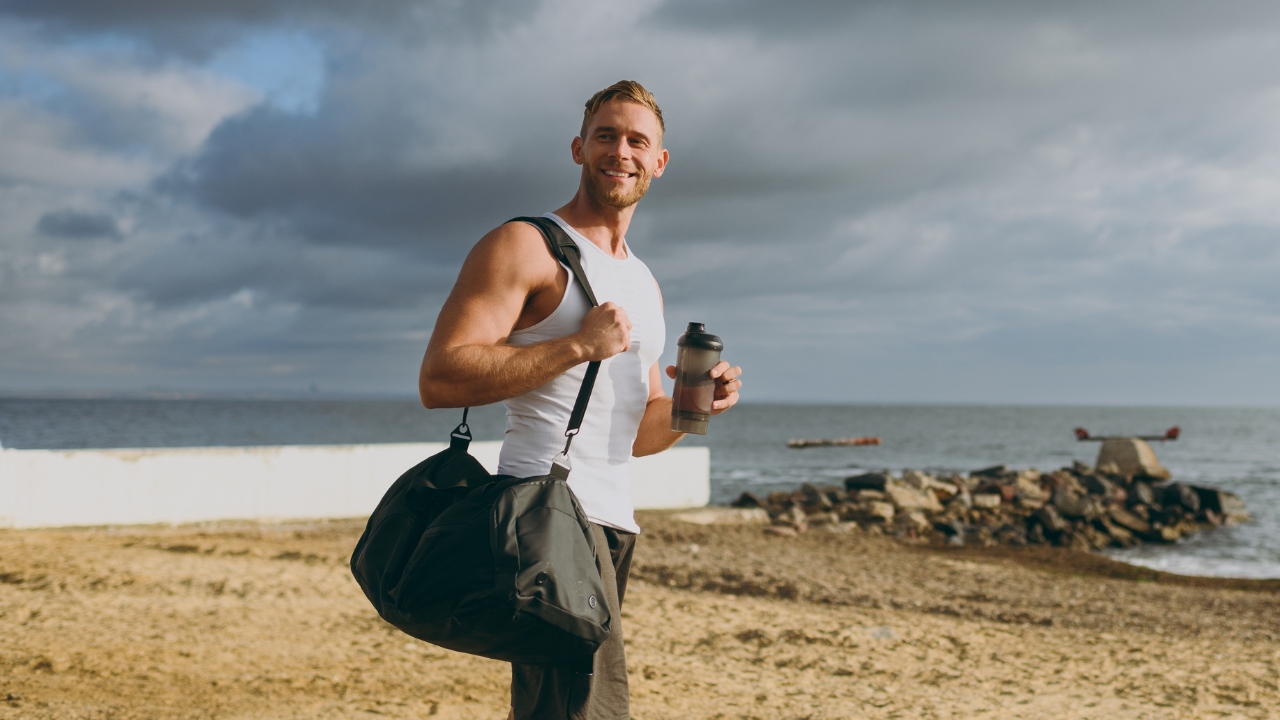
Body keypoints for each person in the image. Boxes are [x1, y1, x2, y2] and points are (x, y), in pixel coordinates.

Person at [418, 80, 743, 719]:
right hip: (544, 509)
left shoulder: (642, 280)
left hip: (610, 523)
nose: (619, 151)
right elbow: (441, 378)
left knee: (556, 707)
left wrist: (692, 404)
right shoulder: (526, 245)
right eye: (606, 135)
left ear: (659, 162)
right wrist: (576, 346)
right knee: (589, 709)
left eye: (636, 140)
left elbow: (638, 436)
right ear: (578, 147)